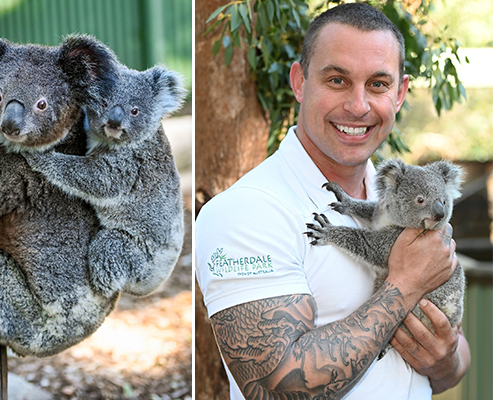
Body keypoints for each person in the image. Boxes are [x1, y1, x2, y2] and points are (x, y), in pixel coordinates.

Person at [195, 3, 470, 399]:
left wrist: (445, 361)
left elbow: (454, 361)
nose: (358, 106)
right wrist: (406, 284)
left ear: (399, 94)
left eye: (377, 84)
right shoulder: (245, 212)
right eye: (337, 80)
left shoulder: (409, 195)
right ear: (300, 82)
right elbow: (275, 389)